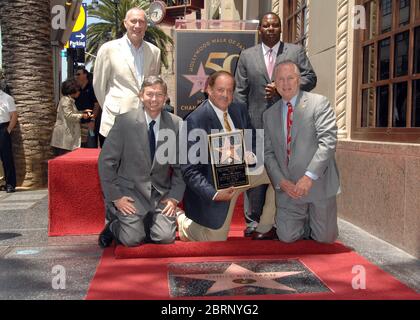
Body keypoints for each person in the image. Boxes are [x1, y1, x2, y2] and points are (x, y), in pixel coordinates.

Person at [234, 12, 318, 238]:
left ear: (280, 29)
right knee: (256, 174)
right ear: (259, 29)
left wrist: (283, 86)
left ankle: (281, 221)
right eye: (266, 25)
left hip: (289, 124)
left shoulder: (295, 52)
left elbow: (311, 78)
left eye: (275, 25)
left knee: (284, 172)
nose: (270, 29)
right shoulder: (246, 56)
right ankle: (253, 222)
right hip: (256, 125)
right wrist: (242, 127)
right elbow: (240, 94)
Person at [177, 71, 276, 242]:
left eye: (230, 90)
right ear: (209, 89)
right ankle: (183, 222)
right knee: (215, 240)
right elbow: (190, 171)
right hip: (217, 184)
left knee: (281, 174)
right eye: (220, 90)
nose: (225, 95)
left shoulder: (238, 109)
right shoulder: (195, 120)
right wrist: (215, 194)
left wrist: (250, 155)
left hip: (244, 172)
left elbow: (252, 137)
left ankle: (265, 227)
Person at [97, 76, 185, 248]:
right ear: (141, 96)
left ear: (165, 97)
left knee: (165, 238)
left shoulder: (176, 124)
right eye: (149, 94)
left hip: (161, 195)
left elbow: (181, 167)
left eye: (159, 95)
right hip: (130, 195)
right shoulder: (125, 122)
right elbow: (106, 162)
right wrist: (116, 198)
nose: (154, 99)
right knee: (132, 240)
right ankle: (114, 226)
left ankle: (147, 222)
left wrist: (174, 198)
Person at [263, 60, 340, 244]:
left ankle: (314, 220)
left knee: (325, 239)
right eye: (280, 79)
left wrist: (308, 177)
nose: (285, 83)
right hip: (289, 189)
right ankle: (304, 221)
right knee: (287, 237)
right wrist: (282, 182)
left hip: (317, 184)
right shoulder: (268, 115)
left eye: (290, 78)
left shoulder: (318, 103)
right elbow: (267, 153)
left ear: (299, 80)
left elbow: (328, 141)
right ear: (274, 83)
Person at [93, 7, 161, 140]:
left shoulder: (154, 52)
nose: (137, 25)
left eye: (141, 22)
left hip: (144, 122)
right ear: (125, 23)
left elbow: (153, 84)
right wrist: (111, 106)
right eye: (133, 21)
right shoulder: (108, 49)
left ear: (146, 25)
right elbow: (99, 85)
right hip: (114, 122)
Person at [50, 79, 92, 156]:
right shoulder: (66, 100)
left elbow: (72, 113)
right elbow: (69, 115)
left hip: (66, 136)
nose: (79, 92)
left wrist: (82, 113)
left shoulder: (69, 100)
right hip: (64, 138)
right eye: (78, 90)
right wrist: (82, 115)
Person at [74, 66, 101, 148]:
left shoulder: (92, 88)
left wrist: (92, 120)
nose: (76, 76)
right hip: (78, 125)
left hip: (89, 124)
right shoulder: (76, 89)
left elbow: (97, 105)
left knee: (90, 147)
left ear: (85, 75)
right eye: (76, 75)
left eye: (78, 74)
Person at [0, 86, 17, 193]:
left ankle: (10, 184)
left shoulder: (7, 98)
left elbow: (14, 115)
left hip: (2, 128)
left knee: (6, 157)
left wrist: (8, 130)